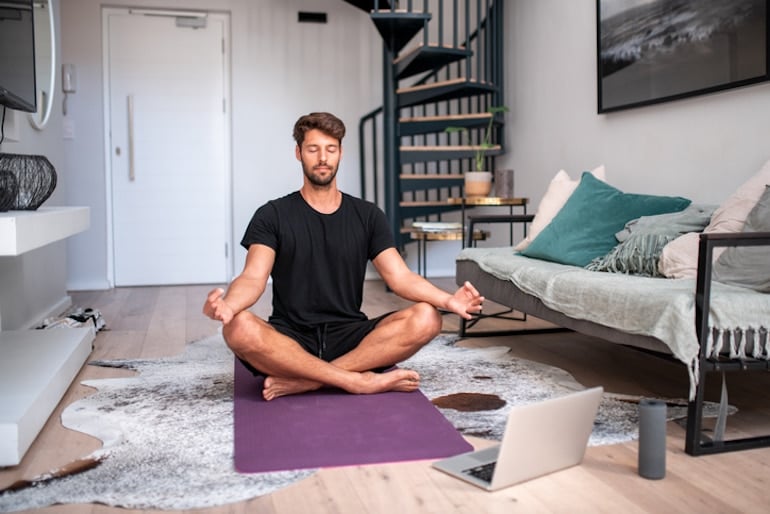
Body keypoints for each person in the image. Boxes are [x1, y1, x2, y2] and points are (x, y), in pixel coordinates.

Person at [203, 112, 483, 401]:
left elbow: (400, 277)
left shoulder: (368, 215)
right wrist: (229, 305)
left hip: (351, 336)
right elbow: (253, 277)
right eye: (313, 149)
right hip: (290, 339)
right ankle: (356, 381)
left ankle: (308, 381)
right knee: (237, 327)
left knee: (428, 318)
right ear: (299, 153)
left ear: (340, 153)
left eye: (331, 149)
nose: (323, 157)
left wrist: (448, 300)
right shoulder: (272, 215)